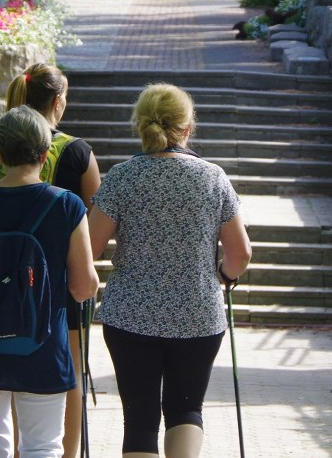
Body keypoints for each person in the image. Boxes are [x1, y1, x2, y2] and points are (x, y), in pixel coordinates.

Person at [88, 83, 252, 458]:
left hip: (130, 316)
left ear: (139, 124)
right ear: (187, 128)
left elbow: (90, 249)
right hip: (197, 315)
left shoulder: (122, 177)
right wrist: (223, 277)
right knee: (186, 410)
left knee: (140, 420)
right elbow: (240, 254)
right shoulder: (213, 178)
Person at [0, 105, 100, 458]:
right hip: (46, 345)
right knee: (42, 448)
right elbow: (84, 286)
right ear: (45, 154)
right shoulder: (67, 205)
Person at [0, 63, 101, 458]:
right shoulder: (79, 151)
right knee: (69, 371)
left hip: (3, 285)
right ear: (59, 101)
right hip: (61, 283)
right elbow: (93, 223)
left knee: (13, 367)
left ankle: (16, 451)